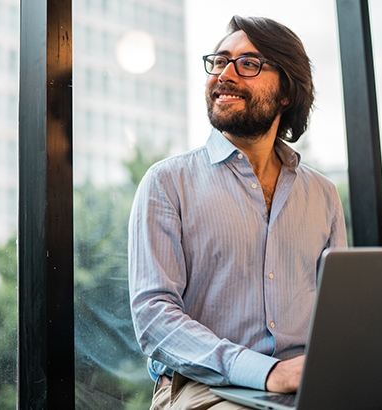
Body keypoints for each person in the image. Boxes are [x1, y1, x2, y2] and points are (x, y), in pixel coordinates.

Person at [127, 15, 348, 409]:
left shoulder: (323, 195)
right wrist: (264, 372)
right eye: (220, 61)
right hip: (203, 387)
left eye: (248, 64)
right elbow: (154, 320)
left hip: (307, 379)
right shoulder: (166, 183)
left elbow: (338, 313)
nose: (225, 74)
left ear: (286, 92)